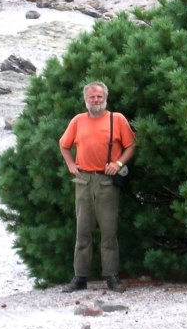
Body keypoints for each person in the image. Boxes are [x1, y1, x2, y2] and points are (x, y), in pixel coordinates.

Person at [58, 81, 136, 293]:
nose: (96, 100)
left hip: (107, 181)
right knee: (83, 231)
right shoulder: (78, 121)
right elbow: (63, 145)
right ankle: (80, 278)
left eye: (99, 97)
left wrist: (118, 163)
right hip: (83, 181)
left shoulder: (117, 119)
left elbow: (131, 145)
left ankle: (112, 277)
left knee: (109, 232)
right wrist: (70, 164)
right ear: (85, 99)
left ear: (105, 98)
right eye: (92, 97)